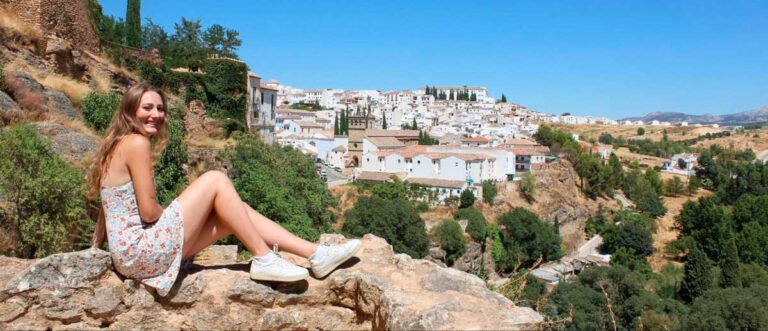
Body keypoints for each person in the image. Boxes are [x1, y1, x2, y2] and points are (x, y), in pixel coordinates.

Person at [88, 83, 361, 296]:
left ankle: (317, 255)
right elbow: (148, 213)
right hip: (142, 252)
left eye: (160, 109)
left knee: (233, 214)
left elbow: (107, 209)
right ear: (130, 110)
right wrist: (176, 214)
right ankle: (265, 258)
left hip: (131, 257)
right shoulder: (137, 143)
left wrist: (95, 249)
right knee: (216, 179)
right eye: (147, 108)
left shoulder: (116, 145)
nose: (156, 115)